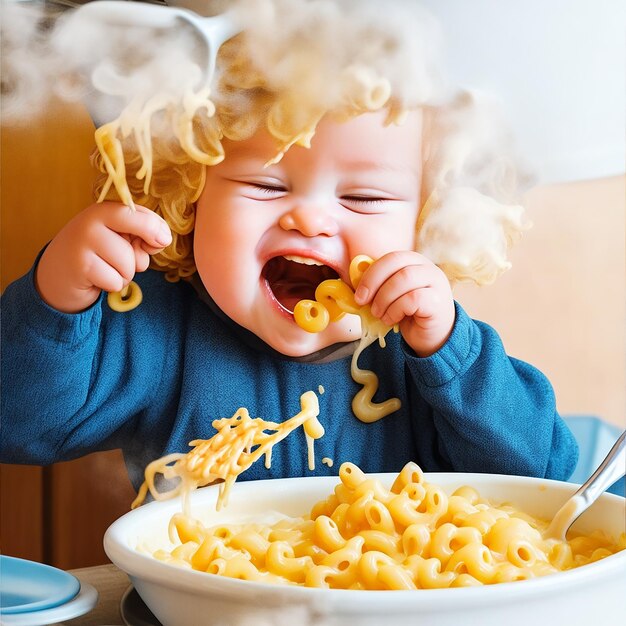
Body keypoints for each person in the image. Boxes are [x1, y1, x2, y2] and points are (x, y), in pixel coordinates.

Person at [0, 0, 577, 489]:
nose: (310, 217)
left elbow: (544, 474)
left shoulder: (422, 347)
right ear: (191, 195)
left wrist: (452, 349)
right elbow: (16, 424)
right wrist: (56, 300)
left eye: (366, 199)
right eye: (265, 183)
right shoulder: (153, 333)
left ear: (428, 223)